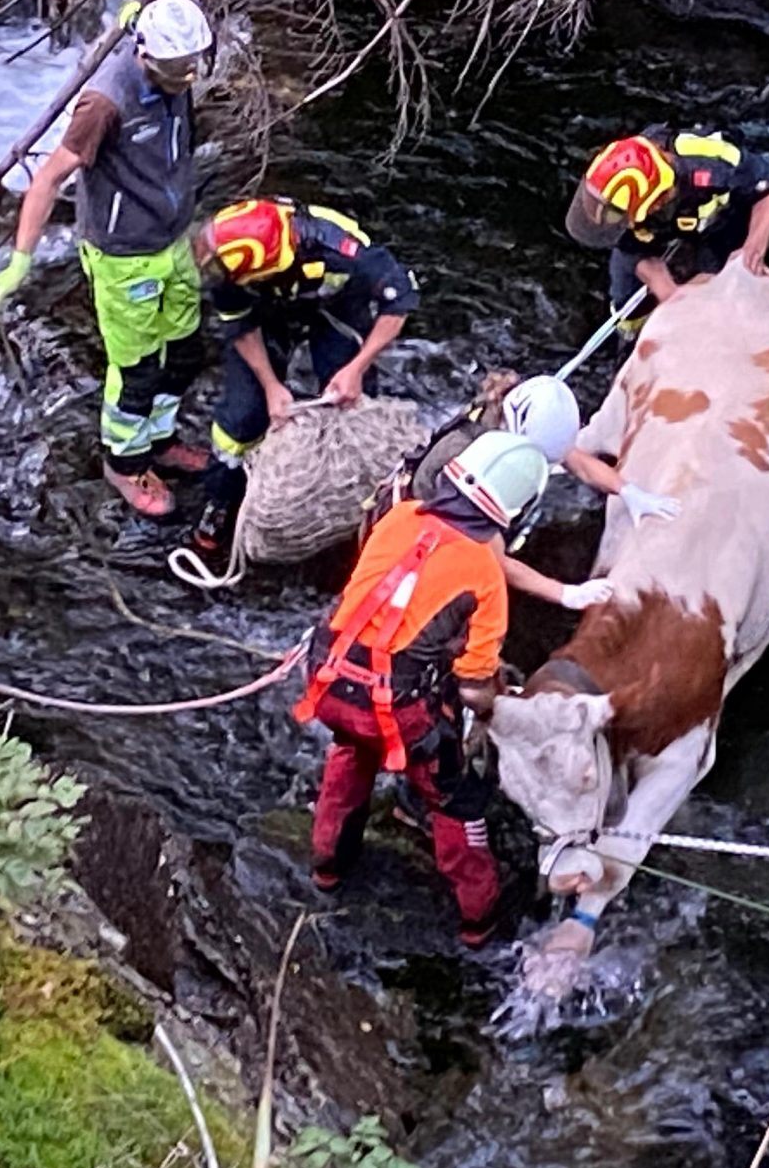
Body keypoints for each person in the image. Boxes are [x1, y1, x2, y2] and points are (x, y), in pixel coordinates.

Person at [290, 430, 553, 947]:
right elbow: (475, 686)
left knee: (351, 753)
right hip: (400, 713)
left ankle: (327, 866)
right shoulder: (485, 575)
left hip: (329, 681)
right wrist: (497, 708)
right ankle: (479, 918)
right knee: (455, 800)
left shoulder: (399, 516)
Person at [0, 0, 214, 518]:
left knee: (184, 352)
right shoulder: (104, 104)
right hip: (124, 255)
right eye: (179, 67)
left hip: (172, 240)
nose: (191, 75)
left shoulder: (168, 65)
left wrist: (132, 13)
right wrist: (20, 261)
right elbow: (47, 180)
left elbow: (134, 19)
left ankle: (159, 440)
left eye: (195, 61)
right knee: (137, 369)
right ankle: (124, 464)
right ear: (147, 56)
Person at [191, 196, 419, 549]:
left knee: (347, 400)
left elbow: (399, 302)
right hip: (269, 309)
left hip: (336, 309)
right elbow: (240, 325)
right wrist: (271, 386)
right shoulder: (225, 263)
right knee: (241, 417)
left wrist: (356, 368)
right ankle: (220, 499)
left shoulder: (345, 251)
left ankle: (360, 497)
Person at [373, 373, 678, 607]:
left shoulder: (516, 420)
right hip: (411, 536)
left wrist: (629, 492)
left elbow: (579, 462)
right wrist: (564, 593)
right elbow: (493, 558)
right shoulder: (470, 465)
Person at [564, 128, 769, 328]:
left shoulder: (717, 163)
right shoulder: (624, 191)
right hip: (657, 231)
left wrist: (753, 249)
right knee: (625, 298)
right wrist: (663, 286)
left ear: (657, 202)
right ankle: (630, 333)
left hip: (714, 223)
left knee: (721, 283)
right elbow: (628, 245)